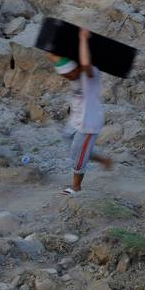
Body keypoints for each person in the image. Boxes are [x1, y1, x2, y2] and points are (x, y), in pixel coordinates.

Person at [51, 28, 112, 195]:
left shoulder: (89, 75)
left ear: (77, 67)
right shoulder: (75, 74)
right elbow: (54, 56)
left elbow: (85, 63)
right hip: (75, 119)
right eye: (65, 77)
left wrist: (83, 38)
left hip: (88, 123)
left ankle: (76, 187)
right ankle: (105, 160)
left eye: (70, 74)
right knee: (73, 147)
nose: (69, 78)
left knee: (78, 157)